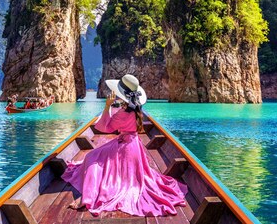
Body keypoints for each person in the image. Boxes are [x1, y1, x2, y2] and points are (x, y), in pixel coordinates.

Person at [61, 74, 187, 217]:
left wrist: (107, 106)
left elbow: (104, 127)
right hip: (134, 146)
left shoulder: (122, 114)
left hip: (123, 147)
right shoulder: (137, 109)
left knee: (91, 157)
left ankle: (88, 196)